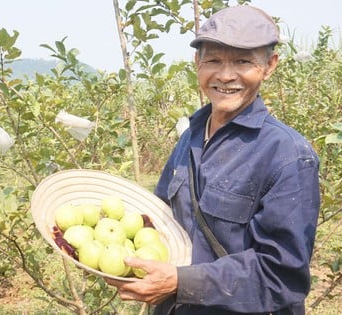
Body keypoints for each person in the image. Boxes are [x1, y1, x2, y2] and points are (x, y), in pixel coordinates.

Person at [106, 5, 321, 315]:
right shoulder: (190, 137)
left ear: (270, 65)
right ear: (197, 63)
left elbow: (281, 276)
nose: (225, 75)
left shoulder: (287, 155)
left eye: (243, 61)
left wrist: (182, 282)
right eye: (213, 60)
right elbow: (162, 220)